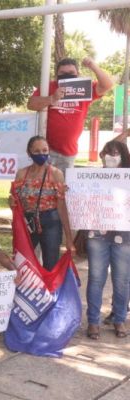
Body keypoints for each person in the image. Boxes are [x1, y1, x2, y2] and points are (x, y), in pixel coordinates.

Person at [27, 57, 113, 172]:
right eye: (62, 73)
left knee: (64, 183)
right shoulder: (49, 87)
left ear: (78, 74)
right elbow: (31, 104)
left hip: (68, 152)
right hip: (45, 150)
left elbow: (107, 85)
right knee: (44, 182)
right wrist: (52, 98)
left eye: (71, 73)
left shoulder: (84, 87)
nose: (67, 75)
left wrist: (92, 65)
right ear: (56, 74)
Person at [85, 141, 130, 340]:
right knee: (96, 279)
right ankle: (93, 322)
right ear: (102, 155)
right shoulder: (91, 178)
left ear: (123, 156)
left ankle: (120, 318)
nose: (111, 156)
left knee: (122, 280)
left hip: (124, 236)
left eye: (116, 153)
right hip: (98, 235)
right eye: (108, 152)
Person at [10, 136, 74, 271]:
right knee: (22, 263)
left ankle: (49, 286)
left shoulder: (56, 174)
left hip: (51, 221)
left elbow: (62, 207)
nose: (41, 154)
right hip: (28, 222)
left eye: (45, 150)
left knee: (51, 264)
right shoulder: (22, 174)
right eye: (37, 151)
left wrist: (69, 238)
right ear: (29, 153)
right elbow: (15, 203)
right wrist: (11, 202)